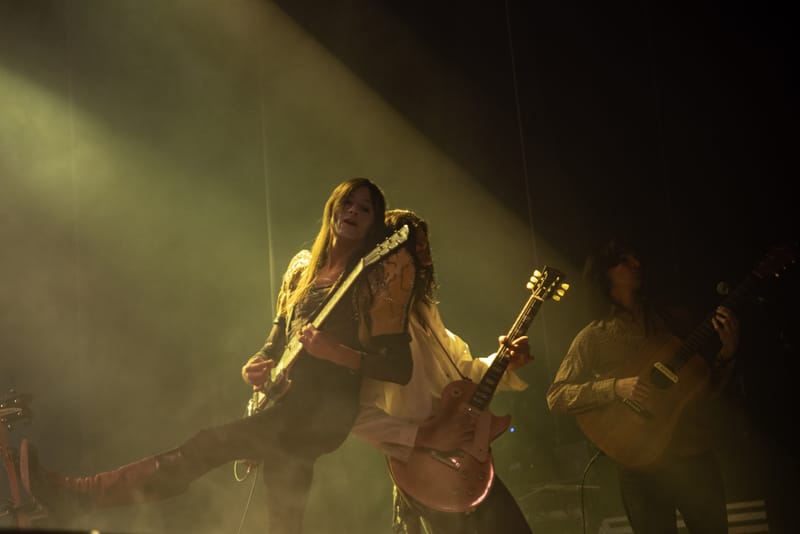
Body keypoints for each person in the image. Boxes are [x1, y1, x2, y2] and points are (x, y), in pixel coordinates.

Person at [20, 178, 416, 534]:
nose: (353, 211)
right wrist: (256, 365)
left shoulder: (372, 281)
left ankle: (82, 495)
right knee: (285, 511)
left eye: (365, 209)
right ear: (332, 209)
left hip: (324, 414)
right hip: (287, 406)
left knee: (208, 444)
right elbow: (275, 342)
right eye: (347, 202)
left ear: (372, 225)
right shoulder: (303, 273)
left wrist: (336, 352)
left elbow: (399, 367)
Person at [352, 208, 534, 534]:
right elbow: (356, 414)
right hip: (425, 466)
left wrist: (505, 361)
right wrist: (423, 436)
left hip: (463, 458)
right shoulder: (378, 325)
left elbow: (462, 372)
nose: (425, 253)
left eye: (426, 245)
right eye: (415, 245)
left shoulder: (425, 310)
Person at [545, 238, 740, 533]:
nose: (636, 263)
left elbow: (705, 390)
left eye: (635, 257)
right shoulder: (593, 337)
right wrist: (615, 387)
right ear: (605, 275)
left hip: (693, 455)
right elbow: (556, 396)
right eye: (625, 260)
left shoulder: (674, 320)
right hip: (639, 466)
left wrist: (728, 352)